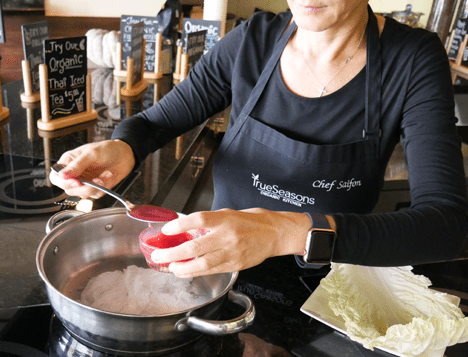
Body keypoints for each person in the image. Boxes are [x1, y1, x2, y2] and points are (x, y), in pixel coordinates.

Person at [51, 0, 468, 278]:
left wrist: (283, 233)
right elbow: (153, 124)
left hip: (324, 301)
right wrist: (123, 148)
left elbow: (448, 225)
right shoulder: (252, 41)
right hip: (214, 277)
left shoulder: (412, 60)